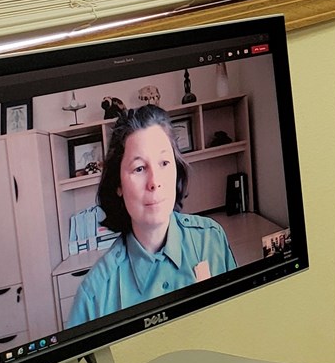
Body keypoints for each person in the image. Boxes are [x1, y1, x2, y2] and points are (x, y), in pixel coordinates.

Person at [67, 105, 235, 326]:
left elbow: (237, 321)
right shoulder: (95, 293)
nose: (154, 182)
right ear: (118, 184)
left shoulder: (211, 240)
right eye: (139, 168)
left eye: (164, 163)